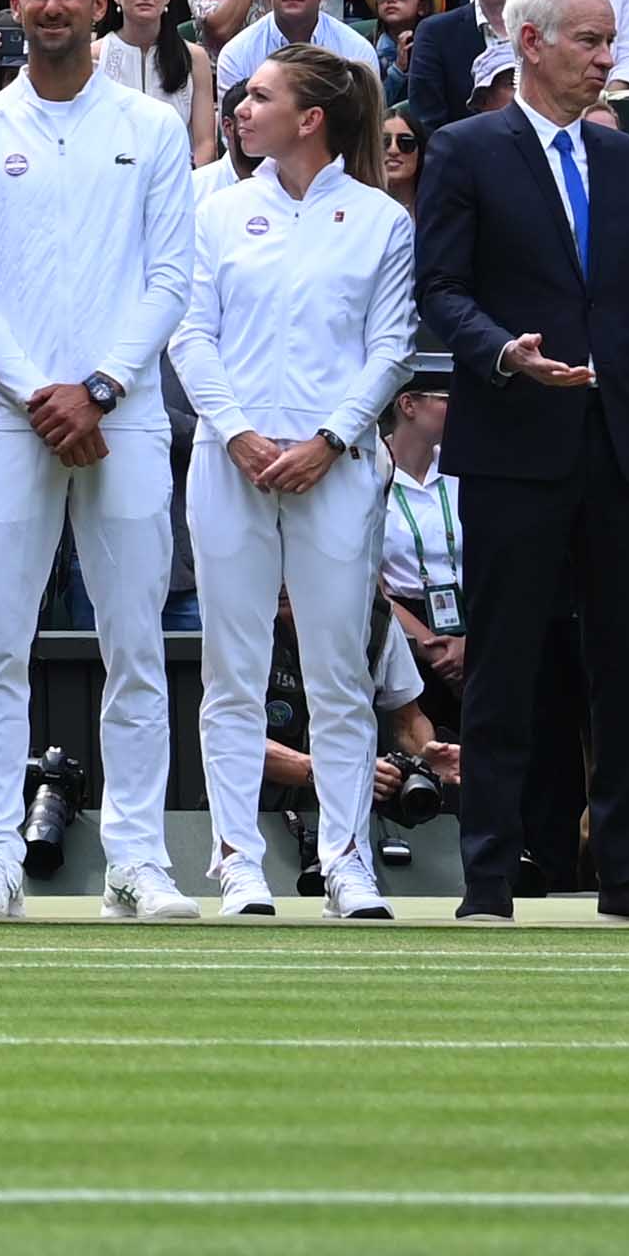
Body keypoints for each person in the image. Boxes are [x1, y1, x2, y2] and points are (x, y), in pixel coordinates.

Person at [412, 0, 629, 918]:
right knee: (504, 665)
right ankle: (490, 876)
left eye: (611, 41)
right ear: (529, 43)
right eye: (590, 41)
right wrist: (504, 354)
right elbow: (440, 290)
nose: (606, 59)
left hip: (623, 446)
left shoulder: (626, 158)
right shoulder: (464, 150)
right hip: (512, 447)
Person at [0, 0, 201, 916]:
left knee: (136, 642)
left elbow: (171, 276)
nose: (50, 6)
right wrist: (43, 393)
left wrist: (101, 386)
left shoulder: (153, 127)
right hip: (9, 422)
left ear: (99, 3)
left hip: (120, 420)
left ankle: (139, 858)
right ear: (16, 2)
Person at [170, 48, 417, 917]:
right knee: (231, 672)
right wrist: (236, 433)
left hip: (337, 472)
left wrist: (329, 438)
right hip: (230, 468)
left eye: (261, 96)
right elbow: (190, 335)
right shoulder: (219, 210)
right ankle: (238, 860)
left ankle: (346, 858)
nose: (239, 106)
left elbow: (389, 347)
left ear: (310, 119)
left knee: (338, 674)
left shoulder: (382, 220)